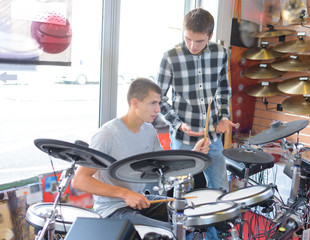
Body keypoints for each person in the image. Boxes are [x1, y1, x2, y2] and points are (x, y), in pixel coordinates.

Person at [71, 78, 209, 230]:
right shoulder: (107, 134)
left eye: (158, 103)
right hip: (112, 210)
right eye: (152, 103)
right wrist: (125, 194)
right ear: (135, 103)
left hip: (140, 201)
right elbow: (79, 180)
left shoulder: (148, 130)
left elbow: (167, 167)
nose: (158, 109)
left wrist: (195, 153)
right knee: (168, 231)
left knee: (189, 215)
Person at [157, 8, 237, 193]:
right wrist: (177, 124)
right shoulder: (170, 57)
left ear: (210, 36)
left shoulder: (221, 53)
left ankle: (214, 224)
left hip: (212, 137)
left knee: (220, 189)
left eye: (199, 40)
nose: (192, 45)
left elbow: (224, 90)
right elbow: (159, 99)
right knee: (180, 192)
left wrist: (224, 116)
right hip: (183, 138)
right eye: (188, 39)